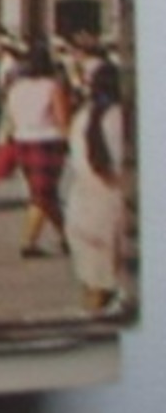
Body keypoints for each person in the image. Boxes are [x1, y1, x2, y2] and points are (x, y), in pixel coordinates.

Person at [65, 60, 127, 314]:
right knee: (109, 273)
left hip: (82, 198)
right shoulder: (120, 117)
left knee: (92, 276)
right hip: (111, 199)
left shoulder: (83, 116)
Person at [2, 40, 71, 257]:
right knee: (42, 195)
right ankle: (28, 241)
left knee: (44, 193)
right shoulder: (53, 87)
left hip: (23, 141)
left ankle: (67, 236)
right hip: (48, 141)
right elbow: (62, 119)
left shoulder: (16, 89)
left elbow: (11, 119)